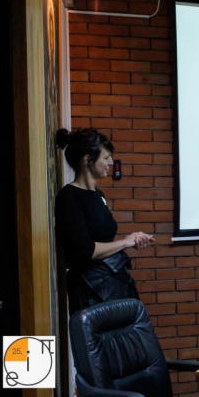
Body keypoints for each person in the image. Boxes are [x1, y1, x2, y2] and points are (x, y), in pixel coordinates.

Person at [55, 128, 154, 315]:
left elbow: (104, 241)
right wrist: (125, 242)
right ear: (87, 160)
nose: (111, 163)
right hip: (90, 289)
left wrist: (132, 240)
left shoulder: (98, 195)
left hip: (112, 281)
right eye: (106, 158)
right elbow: (85, 251)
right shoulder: (69, 197)